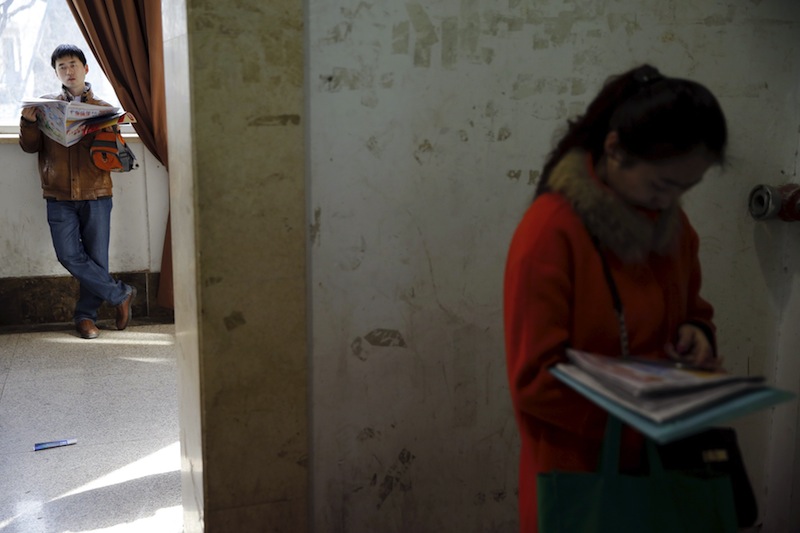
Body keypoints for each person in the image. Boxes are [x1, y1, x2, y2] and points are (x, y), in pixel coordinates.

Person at [503, 64, 727, 532]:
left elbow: (693, 309)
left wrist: (696, 333)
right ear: (615, 150)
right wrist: (644, 408)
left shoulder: (672, 228)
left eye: (686, 188)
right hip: (582, 478)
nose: (670, 201)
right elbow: (535, 380)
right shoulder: (552, 232)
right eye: (663, 184)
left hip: (663, 468)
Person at [19, 44, 136, 340]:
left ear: (85, 68)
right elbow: (29, 146)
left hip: (97, 192)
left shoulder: (102, 107)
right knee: (69, 255)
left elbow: (113, 152)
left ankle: (85, 317)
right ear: (56, 72)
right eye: (61, 67)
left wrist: (113, 123)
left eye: (73, 64)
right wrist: (29, 122)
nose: (68, 71)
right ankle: (120, 294)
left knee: (97, 259)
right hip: (58, 193)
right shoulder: (44, 107)